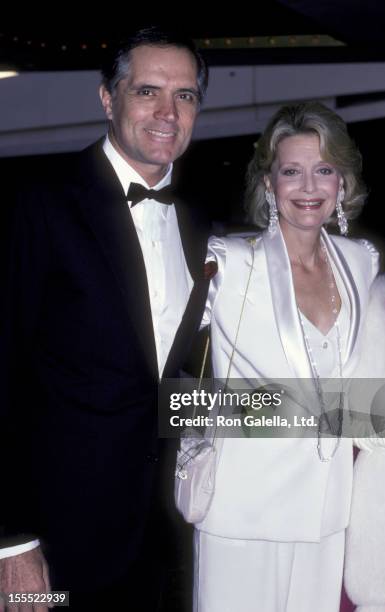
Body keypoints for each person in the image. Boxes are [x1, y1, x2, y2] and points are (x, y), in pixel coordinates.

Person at [0, 26, 209, 611]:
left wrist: (358, 415)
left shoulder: (198, 223)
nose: (168, 112)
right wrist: (11, 542)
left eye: (186, 96)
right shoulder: (38, 202)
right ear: (107, 98)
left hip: (167, 539)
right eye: (148, 91)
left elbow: (175, 387)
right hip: (54, 545)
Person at [192, 102, 385, 611]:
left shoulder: (361, 264)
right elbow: (161, 371)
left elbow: (366, 404)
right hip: (242, 515)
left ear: (342, 184)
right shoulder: (226, 263)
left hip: (327, 521)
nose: (308, 187)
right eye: (291, 171)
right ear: (269, 184)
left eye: (324, 170)